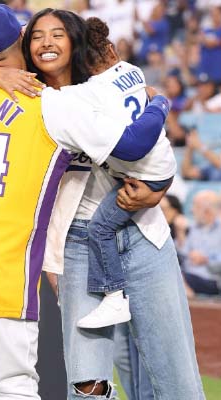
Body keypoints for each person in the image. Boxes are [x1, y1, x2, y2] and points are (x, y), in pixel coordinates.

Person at [0, 5, 170, 399]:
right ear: (21, 40)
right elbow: (131, 145)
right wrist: (159, 102)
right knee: (13, 389)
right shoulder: (47, 102)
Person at [74, 18, 177, 329]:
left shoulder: (92, 91)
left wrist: (160, 102)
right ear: (110, 49)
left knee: (100, 229)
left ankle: (114, 295)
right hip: (161, 164)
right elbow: (149, 93)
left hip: (144, 173)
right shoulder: (132, 69)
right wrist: (160, 100)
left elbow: (129, 144)